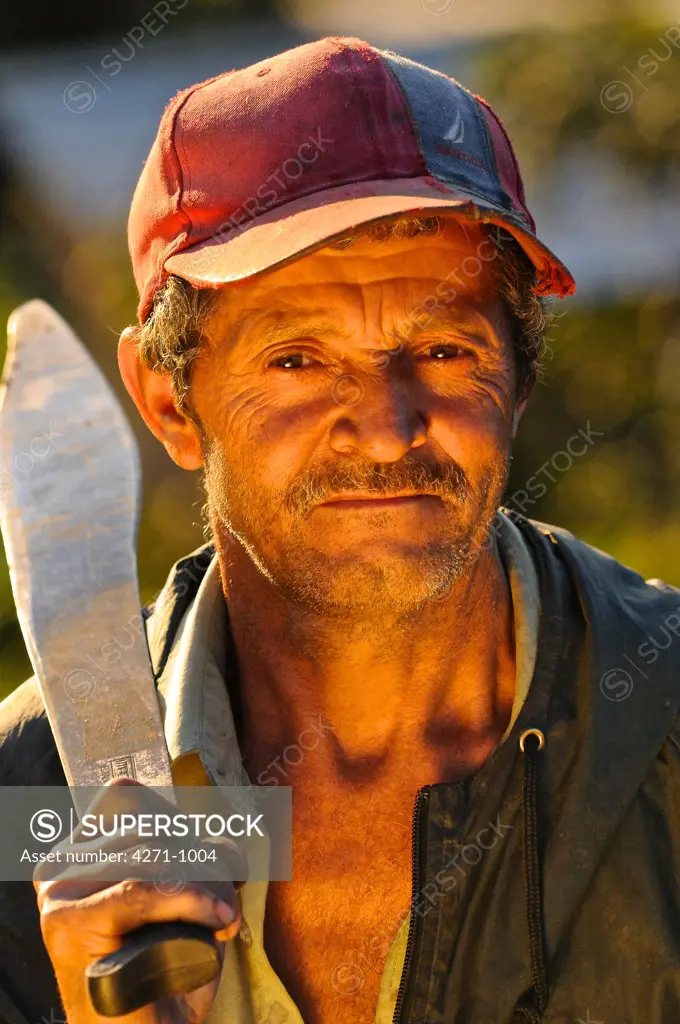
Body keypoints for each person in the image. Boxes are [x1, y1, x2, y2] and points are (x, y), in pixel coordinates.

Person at [1, 34, 680, 1024]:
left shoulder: (657, 732)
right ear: (168, 401)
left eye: (444, 349)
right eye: (296, 361)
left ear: (519, 377)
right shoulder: (29, 800)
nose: (387, 427)